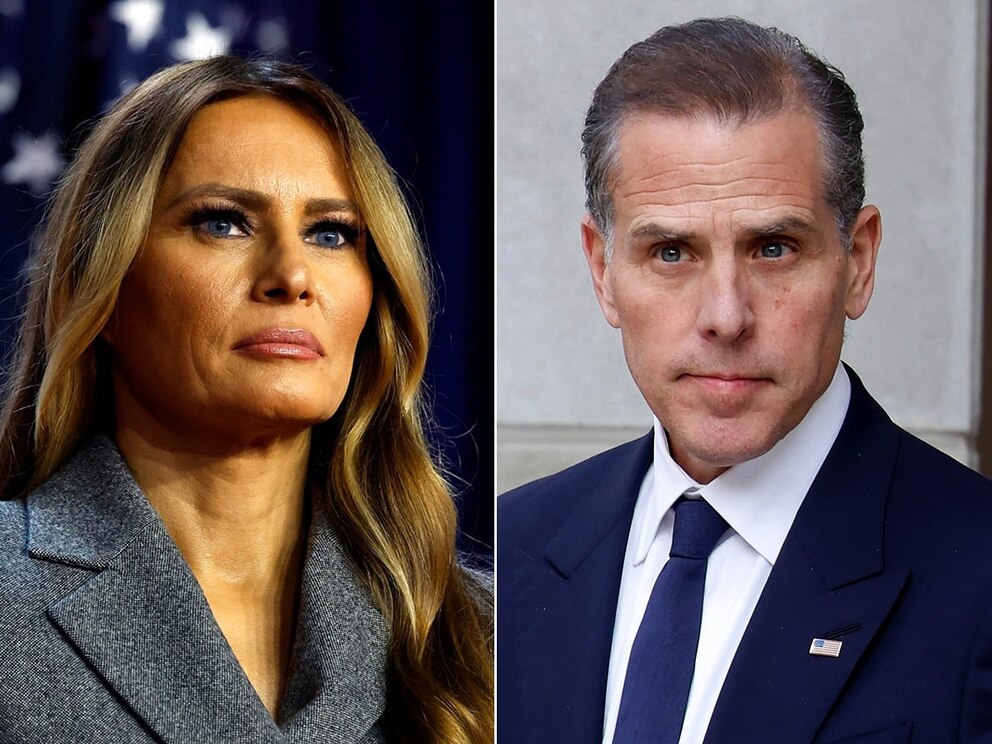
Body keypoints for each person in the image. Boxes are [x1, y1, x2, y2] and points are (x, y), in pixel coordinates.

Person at [497, 17, 992, 744]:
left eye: (773, 248)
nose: (725, 317)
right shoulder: (504, 553)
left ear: (857, 261)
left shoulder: (978, 579)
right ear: (603, 272)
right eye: (671, 251)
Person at [0, 56, 492, 743]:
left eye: (331, 233)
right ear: (102, 288)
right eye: (223, 222)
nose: (291, 275)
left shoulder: (485, 632)